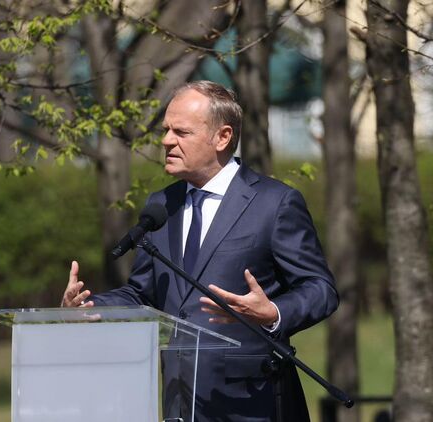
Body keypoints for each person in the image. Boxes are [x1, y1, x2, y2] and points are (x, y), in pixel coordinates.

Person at [61, 81, 339, 421]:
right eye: (166, 130)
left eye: (181, 132)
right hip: (180, 402)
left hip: (251, 404)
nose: (166, 141)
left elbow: (320, 289)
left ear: (222, 137)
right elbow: (143, 294)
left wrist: (273, 313)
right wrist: (89, 308)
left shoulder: (274, 203)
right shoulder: (162, 205)